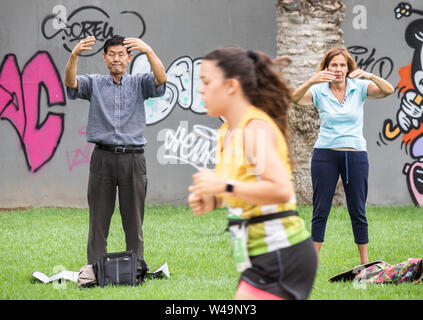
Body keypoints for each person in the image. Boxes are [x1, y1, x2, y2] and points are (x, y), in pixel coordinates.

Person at [188, 47, 317, 300]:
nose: (200, 89)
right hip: (258, 257)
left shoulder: (254, 129)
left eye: (205, 81)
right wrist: (213, 199)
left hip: (282, 254)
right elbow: (246, 188)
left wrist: (223, 186)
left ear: (231, 86)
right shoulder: (226, 132)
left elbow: (280, 190)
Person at [64, 35, 167, 274]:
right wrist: (74, 55)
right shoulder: (95, 83)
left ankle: (135, 269)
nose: (117, 59)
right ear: (104, 57)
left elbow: (161, 79)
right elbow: (72, 84)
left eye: (121, 54)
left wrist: (149, 51)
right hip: (103, 158)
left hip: (133, 159)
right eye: (112, 54)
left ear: (129, 58)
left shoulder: (139, 83)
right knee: (98, 220)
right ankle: (96, 270)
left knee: (133, 220)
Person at [292, 47, 394, 265]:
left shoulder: (360, 87)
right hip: (325, 156)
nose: (338, 69)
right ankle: (312, 263)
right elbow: (294, 98)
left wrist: (368, 75)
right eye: (334, 65)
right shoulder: (319, 90)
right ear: (327, 67)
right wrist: (312, 80)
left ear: (348, 68)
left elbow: (389, 90)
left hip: (355, 155)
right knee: (320, 210)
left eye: (342, 65)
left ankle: (365, 263)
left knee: (357, 209)